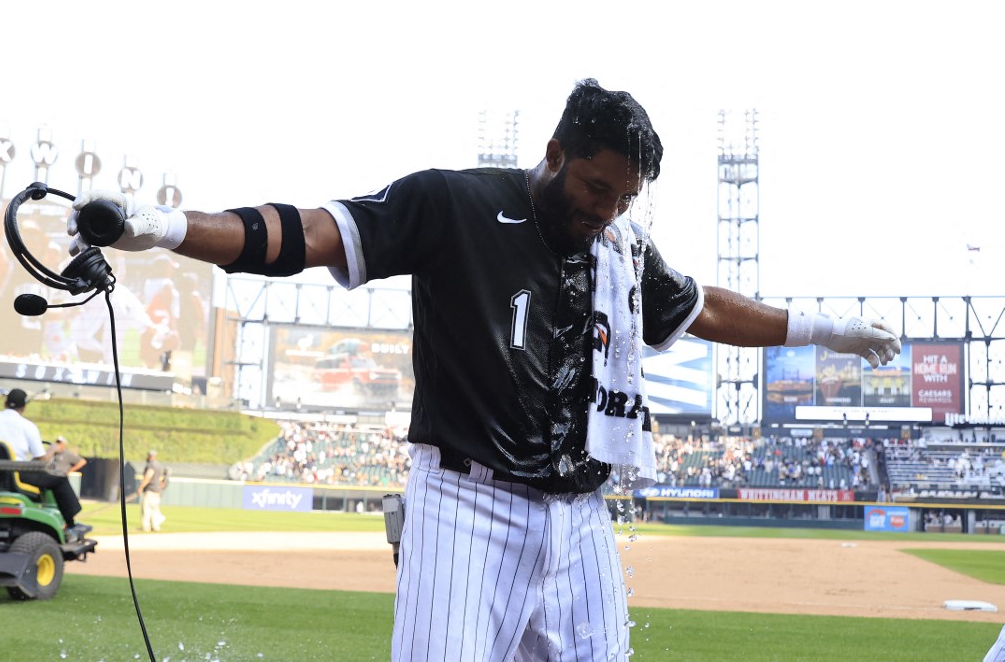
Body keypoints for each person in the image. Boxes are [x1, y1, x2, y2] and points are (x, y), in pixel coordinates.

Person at [67, 79, 901, 661]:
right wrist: (173, 228)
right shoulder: (456, 204)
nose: (605, 208)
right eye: (594, 185)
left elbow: (703, 308)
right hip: (468, 505)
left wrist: (827, 329)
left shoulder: (619, 246)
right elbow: (312, 231)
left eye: (622, 196)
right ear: (554, 151)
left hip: (580, 519)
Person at [0, 389, 91, 539]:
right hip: (16, 475)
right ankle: (71, 524)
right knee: (58, 478)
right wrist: (54, 448)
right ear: (23, 407)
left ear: (5, 403)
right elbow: (42, 459)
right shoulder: (27, 426)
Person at [136, 449, 167, 532]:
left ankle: (146, 527)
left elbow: (148, 476)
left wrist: (141, 487)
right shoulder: (158, 465)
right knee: (154, 509)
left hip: (150, 490)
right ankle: (155, 526)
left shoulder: (151, 465)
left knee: (146, 509)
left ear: (150, 456)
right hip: (157, 491)